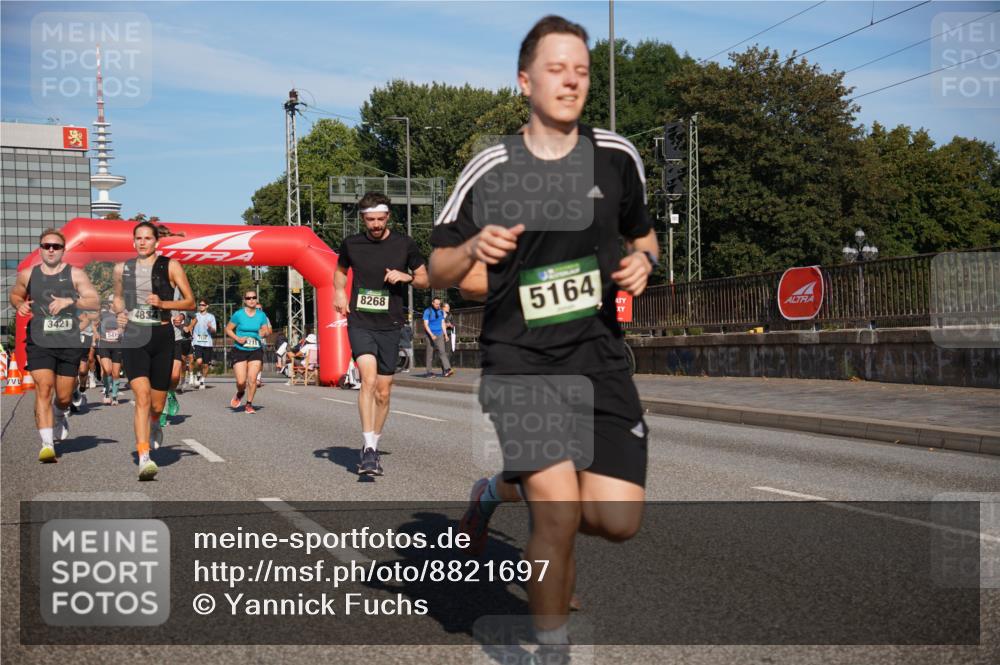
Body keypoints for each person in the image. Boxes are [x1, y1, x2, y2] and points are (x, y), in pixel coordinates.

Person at [428, 15, 658, 650]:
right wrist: (474, 246)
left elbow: (644, 233)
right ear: (525, 81)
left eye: (582, 70)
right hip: (521, 360)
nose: (572, 81)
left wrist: (646, 261)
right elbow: (437, 268)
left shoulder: (617, 156)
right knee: (555, 511)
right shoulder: (493, 166)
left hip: (598, 358)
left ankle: (495, 489)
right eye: (557, 69)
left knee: (616, 520)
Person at [333, 191, 429, 476]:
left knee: (384, 393)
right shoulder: (351, 244)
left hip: (392, 324)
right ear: (363, 218)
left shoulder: (405, 244)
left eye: (380, 219)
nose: (375, 224)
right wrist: (339, 292)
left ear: (388, 217)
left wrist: (407, 277)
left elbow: (426, 278)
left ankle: (373, 443)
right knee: (369, 381)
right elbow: (340, 272)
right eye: (369, 219)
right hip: (360, 322)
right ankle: (369, 449)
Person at [8, 229, 99, 462]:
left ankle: (60, 413)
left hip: (68, 342)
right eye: (46, 245)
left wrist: (69, 300)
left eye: (56, 246)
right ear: (40, 248)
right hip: (39, 341)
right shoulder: (28, 274)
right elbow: (16, 295)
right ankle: (47, 444)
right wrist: (20, 304)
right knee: (44, 388)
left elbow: (94, 300)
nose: (51, 249)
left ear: (63, 250)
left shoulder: (75, 274)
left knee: (64, 397)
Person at [113, 221, 196, 480]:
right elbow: (117, 298)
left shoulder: (170, 265)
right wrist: (120, 314)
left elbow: (190, 301)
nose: (142, 242)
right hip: (135, 335)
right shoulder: (122, 268)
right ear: (133, 241)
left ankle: (154, 425)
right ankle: (144, 457)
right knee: (142, 397)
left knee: (157, 406)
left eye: (148, 238)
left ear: (156, 242)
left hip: (161, 335)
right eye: (138, 238)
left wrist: (164, 302)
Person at [225, 289, 270, 414]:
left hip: (255, 349)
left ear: (256, 299)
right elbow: (228, 329)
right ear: (244, 300)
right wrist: (237, 338)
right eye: (249, 298)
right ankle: (240, 392)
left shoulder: (261, 315)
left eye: (254, 297)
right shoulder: (238, 314)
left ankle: (249, 404)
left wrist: (263, 333)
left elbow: (266, 331)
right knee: (241, 381)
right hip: (240, 349)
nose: (251, 300)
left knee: (252, 379)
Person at [96, 296, 124, 405]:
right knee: (107, 370)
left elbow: (124, 328)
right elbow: (94, 324)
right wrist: (96, 334)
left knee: (116, 373)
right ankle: (107, 393)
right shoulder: (103, 314)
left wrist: (120, 330)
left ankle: (115, 396)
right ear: (110, 304)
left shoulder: (123, 315)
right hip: (104, 343)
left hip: (117, 345)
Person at [422, 297, 453, 378]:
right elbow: (425, 324)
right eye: (436, 304)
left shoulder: (441, 312)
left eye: (439, 304)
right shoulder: (427, 311)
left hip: (439, 334)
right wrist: (431, 334)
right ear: (432, 303)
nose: (438, 305)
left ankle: (447, 369)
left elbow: (442, 323)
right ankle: (429, 372)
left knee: (442, 352)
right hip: (430, 334)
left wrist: (445, 334)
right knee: (430, 354)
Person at [190, 298, 216, 389]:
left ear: (207, 306)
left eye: (203, 305)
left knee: (205, 364)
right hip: (197, 342)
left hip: (208, 343)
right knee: (199, 361)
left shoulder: (211, 317)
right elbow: (191, 327)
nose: (201, 306)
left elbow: (214, 330)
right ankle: (197, 373)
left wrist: (210, 327)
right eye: (200, 305)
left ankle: (202, 380)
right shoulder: (195, 316)